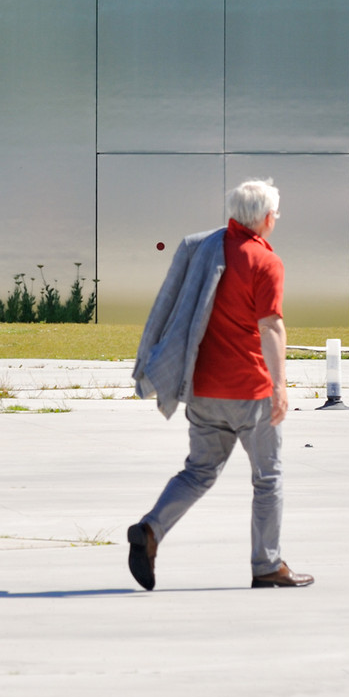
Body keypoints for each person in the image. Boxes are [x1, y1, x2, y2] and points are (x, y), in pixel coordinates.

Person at [126, 178, 312, 591]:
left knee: (198, 472)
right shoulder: (265, 261)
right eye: (276, 213)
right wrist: (280, 387)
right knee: (268, 478)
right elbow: (271, 326)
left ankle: (151, 529)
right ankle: (267, 565)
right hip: (250, 392)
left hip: (203, 389)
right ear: (266, 218)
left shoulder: (206, 249)